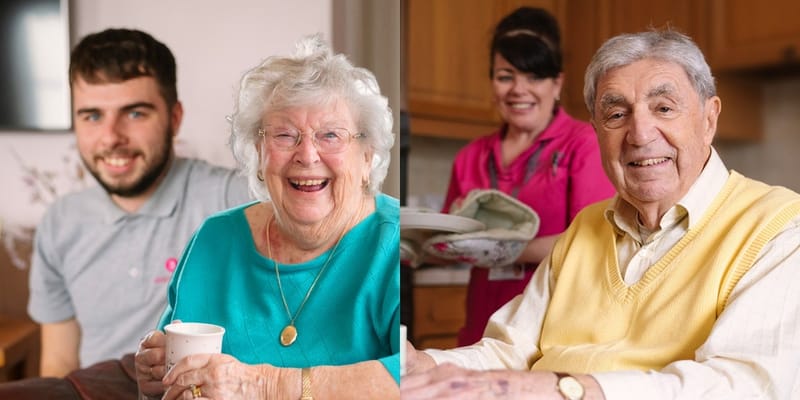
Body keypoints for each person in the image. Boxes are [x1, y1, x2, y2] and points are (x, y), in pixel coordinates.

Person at [401, 29, 800, 400]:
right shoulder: (585, 228)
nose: (640, 134)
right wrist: (428, 364)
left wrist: (568, 389)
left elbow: (745, 384)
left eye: (663, 108)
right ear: (596, 129)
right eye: (616, 115)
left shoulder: (777, 228)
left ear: (709, 119)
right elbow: (511, 351)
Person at [134, 34, 400, 400]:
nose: (307, 155)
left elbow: (415, 378)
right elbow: (172, 375)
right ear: (259, 153)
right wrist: (155, 373)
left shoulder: (396, 244)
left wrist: (265, 385)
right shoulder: (215, 240)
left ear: (367, 156)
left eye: (331, 135)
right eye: (285, 135)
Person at [27, 28, 251, 377]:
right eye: (92, 116)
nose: (111, 138)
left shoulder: (234, 200)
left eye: (134, 113)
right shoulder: (60, 222)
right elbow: (59, 364)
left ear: (174, 119)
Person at [440, 7, 615, 346]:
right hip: (480, 331)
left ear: (557, 83)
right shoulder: (470, 156)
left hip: (551, 333)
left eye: (534, 76)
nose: (518, 89)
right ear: (492, 82)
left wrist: (504, 251)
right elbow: (446, 241)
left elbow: (593, 240)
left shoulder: (583, 144)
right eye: (505, 76)